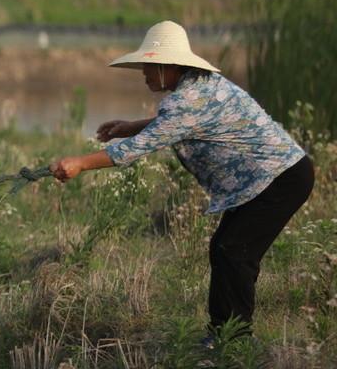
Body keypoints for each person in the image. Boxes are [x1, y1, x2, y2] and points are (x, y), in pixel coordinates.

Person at [51, 20, 314, 336]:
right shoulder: (199, 86)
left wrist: (80, 162)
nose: (144, 74)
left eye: (149, 67)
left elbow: (135, 150)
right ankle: (223, 335)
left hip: (279, 179)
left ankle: (232, 341)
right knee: (225, 248)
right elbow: (178, 123)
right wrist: (132, 125)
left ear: (169, 67)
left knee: (234, 250)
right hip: (273, 177)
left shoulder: (185, 101)